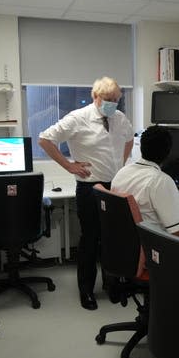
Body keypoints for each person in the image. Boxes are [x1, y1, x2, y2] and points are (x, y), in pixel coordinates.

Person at [39, 77, 134, 311]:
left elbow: (130, 140)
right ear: (95, 97)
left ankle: (111, 285)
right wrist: (69, 166)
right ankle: (86, 291)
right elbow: (45, 139)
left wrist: (121, 164)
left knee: (112, 239)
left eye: (116, 100)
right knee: (90, 239)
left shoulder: (119, 118)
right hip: (89, 187)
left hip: (114, 186)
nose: (113, 104)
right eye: (108, 100)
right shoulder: (78, 117)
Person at [111, 126, 179, 237]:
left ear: (142, 147)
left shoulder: (122, 172)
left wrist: (175, 212)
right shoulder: (161, 181)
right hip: (152, 246)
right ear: (168, 152)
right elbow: (178, 233)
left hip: (125, 240)